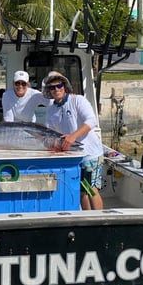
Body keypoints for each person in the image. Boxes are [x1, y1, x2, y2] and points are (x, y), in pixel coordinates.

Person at [43, 71, 104, 210]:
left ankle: (99, 221)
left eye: (59, 86)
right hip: (73, 156)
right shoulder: (51, 111)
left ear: (64, 86)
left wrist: (72, 136)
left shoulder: (78, 100)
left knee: (91, 189)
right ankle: (88, 221)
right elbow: (48, 134)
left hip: (90, 153)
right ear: (49, 91)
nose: (56, 89)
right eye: (52, 87)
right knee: (81, 192)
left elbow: (91, 121)